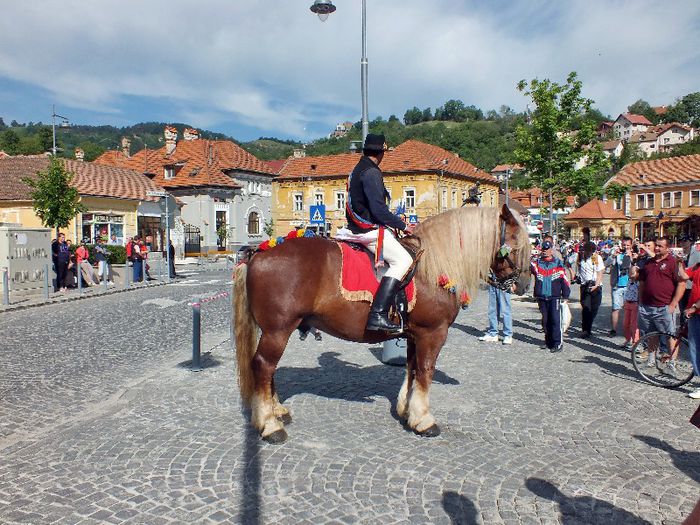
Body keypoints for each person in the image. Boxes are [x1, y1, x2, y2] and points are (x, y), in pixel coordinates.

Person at [344, 133, 415, 333]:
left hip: (356, 226)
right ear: (381, 153)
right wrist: (403, 226)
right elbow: (378, 210)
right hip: (367, 229)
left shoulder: (357, 169)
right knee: (404, 261)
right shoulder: (371, 172)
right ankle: (378, 314)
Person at [636, 237, 685, 366]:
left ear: (667, 248)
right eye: (656, 246)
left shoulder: (673, 262)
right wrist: (641, 301)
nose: (657, 248)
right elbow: (642, 282)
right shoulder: (648, 262)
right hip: (647, 306)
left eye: (660, 246)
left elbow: (682, 283)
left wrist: (674, 303)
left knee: (670, 336)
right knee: (651, 334)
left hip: (665, 306)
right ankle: (652, 359)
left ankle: (672, 363)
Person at [530, 240, 571, 352]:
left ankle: (557, 343)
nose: (545, 251)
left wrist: (566, 295)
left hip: (555, 296)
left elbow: (564, 280)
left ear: (551, 250)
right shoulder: (537, 263)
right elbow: (526, 266)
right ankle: (548, 342)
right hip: (542, 296)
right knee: (546, 320)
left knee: (555, 320)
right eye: (543, 249)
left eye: (547, 249)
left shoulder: (558, 263)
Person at [573, 241, 604, 339]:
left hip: (595, 285)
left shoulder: (595, 257)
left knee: (594, 309)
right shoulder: (580, 257)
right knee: (586, 308)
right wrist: (574, 274)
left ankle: (588, 328)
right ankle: (585, 330)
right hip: (584, 285)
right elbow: (569, 263)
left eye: (591, 251)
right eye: (587, 251)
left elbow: (599, 272)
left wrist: (597, 284)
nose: (589, 253)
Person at [605, 236, 635, 337]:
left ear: (631, 245)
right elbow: (605, 264)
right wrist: (613, 256)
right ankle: (613, 329)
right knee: (615, 308)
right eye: (624, 245)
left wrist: (631, 257)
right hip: (617, 285)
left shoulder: (634, 255)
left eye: (628, 245)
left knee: (629, 309)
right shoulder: (617, 254)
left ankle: (629, 331)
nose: (625, 247)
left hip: (629, 285)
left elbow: (636, 267)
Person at [679, 262, 700, 399]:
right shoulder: (698, 266)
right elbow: (685, 275)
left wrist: (694, 307)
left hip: (696, 311)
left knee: (697, 349)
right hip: (696, 315)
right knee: (695, 348)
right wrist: (678, 263)